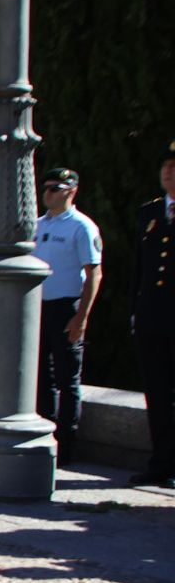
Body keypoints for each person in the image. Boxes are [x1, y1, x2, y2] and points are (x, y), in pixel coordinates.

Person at [33, 167, 102, 467]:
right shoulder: (36, 225)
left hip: (66, 308)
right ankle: (43, 436)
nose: (47, 193)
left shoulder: (81, 226)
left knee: (67, 378)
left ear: (71, 191)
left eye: (54, 188)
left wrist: (81, 317)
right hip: (38, 307)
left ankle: (67, 446)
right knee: (41, 378)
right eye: (45, 187)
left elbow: (94, 273)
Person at [129, 141, 175, 489]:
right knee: (157, 394)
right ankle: (159, 463)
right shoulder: (151, 212)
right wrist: (135, 310)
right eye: (166, 165)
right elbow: (139, 268)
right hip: (151, 316)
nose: (169, 171)